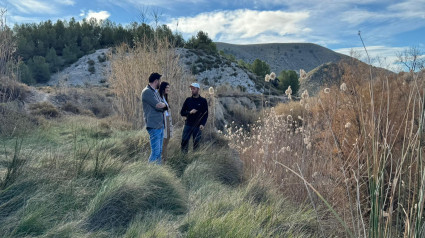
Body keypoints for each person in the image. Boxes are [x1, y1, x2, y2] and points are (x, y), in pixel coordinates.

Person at [141, 72, 167, 164]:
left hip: (159, 125)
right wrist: (163, 106)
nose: (160, 83)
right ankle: (149, 172)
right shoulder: (147, 92)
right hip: (154, 126)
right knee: (155, 152)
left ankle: (158, 173)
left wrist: (163, 106)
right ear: (156, 81)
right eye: (159, 81)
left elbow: (163, 105)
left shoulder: (154, 92)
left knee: (159, 153)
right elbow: (159, 105)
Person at [180, 83, 208, 153]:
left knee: (196, 145)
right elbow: (182, 112)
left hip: (198, 126)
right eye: (191, 89)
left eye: (194, 89)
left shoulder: (203, 101)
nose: (192, 90)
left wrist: (202, 124)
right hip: (188, 125)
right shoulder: (188, 100)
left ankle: (195, 160)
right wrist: (189, 112)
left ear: (198, 89)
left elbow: (206, 114)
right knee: (184, 142)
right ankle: (183, 159)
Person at [159, 81, 173, 162]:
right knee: (163, 143)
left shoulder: (165, 98)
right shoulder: (159, 97)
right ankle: (162, 161)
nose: (168, 89)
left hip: (168, 121)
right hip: (163, 122)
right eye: (167, 88)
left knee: (166, 142)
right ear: (163, 88)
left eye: (168, 88)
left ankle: (165, 160)